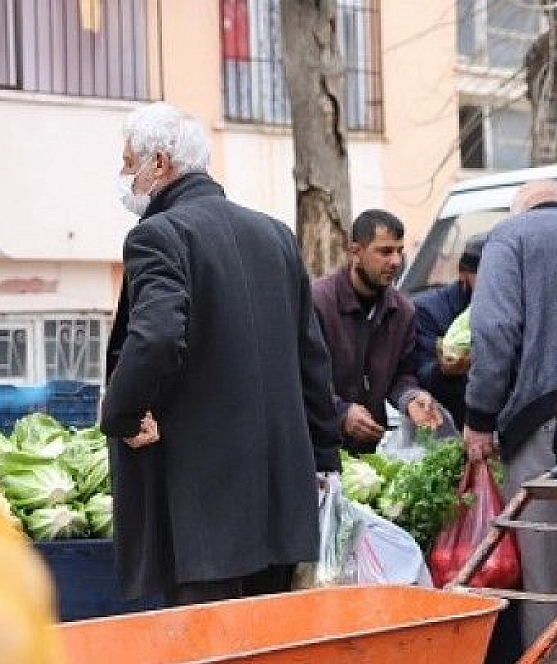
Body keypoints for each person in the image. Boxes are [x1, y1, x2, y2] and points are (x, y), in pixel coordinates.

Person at [99, 102, 342, 607]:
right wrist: (322, 455)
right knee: (261, 660)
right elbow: (311, 359)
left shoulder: (158, 235)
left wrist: (121, 414)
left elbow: (157, 334)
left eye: (129, 163)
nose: (125, 177)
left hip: (198, 519)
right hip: (278, 506)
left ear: (161, 163)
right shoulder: (275, 235)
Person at [462, 180, 557, 656]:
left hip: (543, 428)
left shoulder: (511, 237)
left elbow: (495, 329)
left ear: (519, 208)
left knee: (546, 580)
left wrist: (479, 416)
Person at [312, 210, 444, 454]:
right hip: (317, 450)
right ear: (356, 253)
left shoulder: (403, 310)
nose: (395, 261)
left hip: (369, 455)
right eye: (384, 251)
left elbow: (402, 376)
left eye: (399, 251)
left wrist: (412, 399)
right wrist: (341, 412)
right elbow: (298, 379)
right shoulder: (317, 303)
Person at [410, 232, 489, 429]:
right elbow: (420, 373)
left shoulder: (515, 309)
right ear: (463, 273)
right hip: (446, 425)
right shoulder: (429, 310)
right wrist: (444, 370)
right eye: (486, 275)